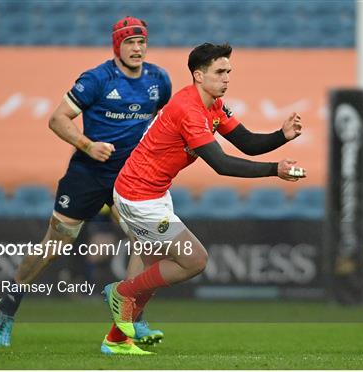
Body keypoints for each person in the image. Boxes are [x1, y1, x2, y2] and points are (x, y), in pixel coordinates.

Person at [102, 42, 305, 355]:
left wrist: (281, 136)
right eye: (220, 72)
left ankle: (118, 338)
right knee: (194, 259)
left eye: (229, 71)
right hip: (138, 195)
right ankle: (122, 293)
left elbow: (247, 143)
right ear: (198, 75)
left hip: (152, 191)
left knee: (152, 264)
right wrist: (274, 170)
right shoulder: (188, 110)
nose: (226, 78)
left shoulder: (214, 105)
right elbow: (222, 164)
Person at [0, 16, 172, 353]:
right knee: (55, 245)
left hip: (129, 177)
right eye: (129, 42)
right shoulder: (97, 79)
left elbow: (164, 121)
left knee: (145, 243)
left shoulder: (159, 80)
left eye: (141, 42)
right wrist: (88, 145)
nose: (137, 48)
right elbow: (57, 119)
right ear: (117, 45)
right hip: (88, 174)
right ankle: (8, 304)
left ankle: (130, 317)